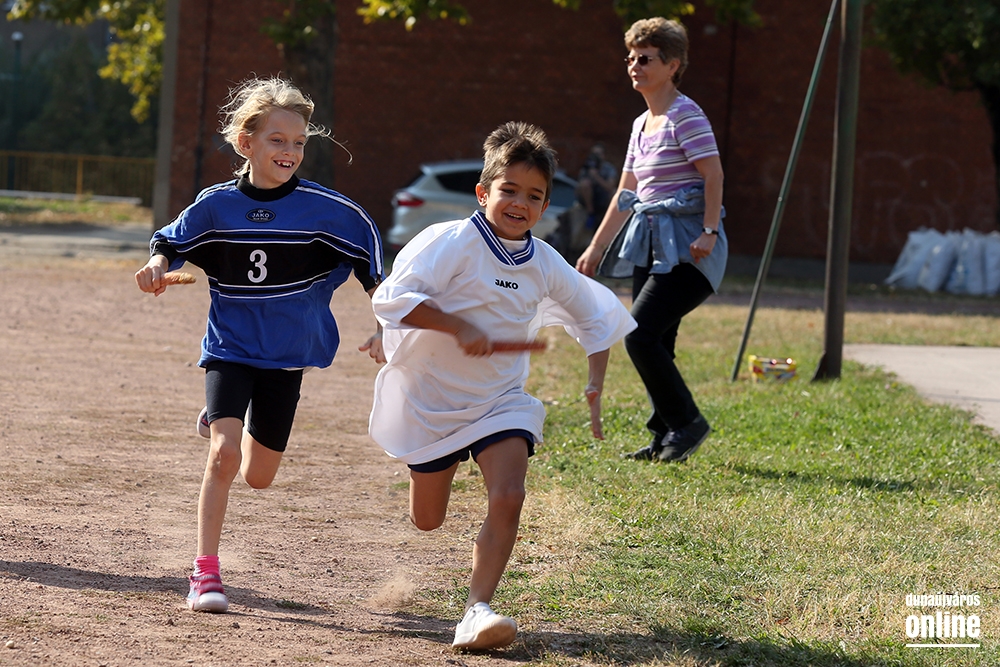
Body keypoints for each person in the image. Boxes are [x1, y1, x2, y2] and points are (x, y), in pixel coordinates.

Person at [368, 121, 635, 650]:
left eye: (534, 195)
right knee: (427, 520)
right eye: (509, 190)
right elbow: (391, 300)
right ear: (482, 192)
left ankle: (477, 610)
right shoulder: (449, 242)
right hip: (432, 400)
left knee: (510, 495)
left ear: (545, 205)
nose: (520, 203)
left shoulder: (546, 262)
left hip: (500, 401)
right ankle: (435, 487)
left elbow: (598, 315)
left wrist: (595, 385)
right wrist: (456, 326)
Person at [134, 77, 385, 613]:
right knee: (224, 454)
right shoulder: (217, 206)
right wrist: (156, 266)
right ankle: (205, 573)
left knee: (259, 476)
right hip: (230, 348)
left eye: (298, 142)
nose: (289, 151)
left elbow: (374, 269)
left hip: (287, 357)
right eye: (277, 140)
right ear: (245, 143)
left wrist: (387, 323)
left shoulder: (330, 211)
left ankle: (223, 420)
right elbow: (171, 241)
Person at [575, 17, 727, 463]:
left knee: (639, 335)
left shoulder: (686, 115)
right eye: (630, 57)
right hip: (651, 244)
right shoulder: (642, 123)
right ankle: (665, 435)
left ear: (672, 65)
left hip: (689, 247)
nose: (634, 65)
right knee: (659, 340)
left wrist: (709, 231)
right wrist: (596, 247)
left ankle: (688, 423)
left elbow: (714, 175)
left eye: (645, 58)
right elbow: (627, 192)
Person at [575, 143, 618, 228]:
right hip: (589, 200)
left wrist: (596, 176)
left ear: (603, 155)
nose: (596, 157)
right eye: (594, 154)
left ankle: (612, 216)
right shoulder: (587, 167)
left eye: (598, 154)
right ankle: (591, 214)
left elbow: (610, 187)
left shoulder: (609, 168)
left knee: (615, 192)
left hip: (603, 197)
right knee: (585, 184)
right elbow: (580, 186)